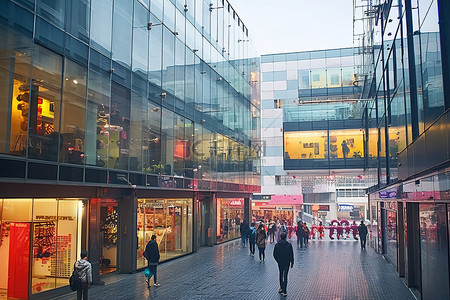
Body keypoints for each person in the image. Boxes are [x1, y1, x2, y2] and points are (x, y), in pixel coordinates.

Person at [273, 232, 294, 297]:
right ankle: (284, 291)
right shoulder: (289, 245)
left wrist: (278, 260)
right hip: (287, 262)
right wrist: (292, 262)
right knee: (285, 276)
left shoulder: (277, 245)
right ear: (286, 237)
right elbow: (291, 254)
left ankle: (281, 287)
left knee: (281, 274)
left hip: (280, 262)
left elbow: (274, 254)